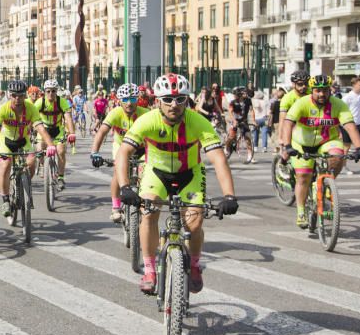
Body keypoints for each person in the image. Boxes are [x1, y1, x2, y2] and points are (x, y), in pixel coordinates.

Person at [116, 73, 239, 294]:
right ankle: (150, 270)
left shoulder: (198, 122)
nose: (174, 104)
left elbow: (218, 158)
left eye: (180, 99)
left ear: (187, 101)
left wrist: (229, 195)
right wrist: (125, 186)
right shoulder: (147, 121)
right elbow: (124, 152)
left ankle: (194, 265)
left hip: (189, 174)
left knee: (194, 222)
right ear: (157, 101)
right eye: (168, 99)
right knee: (148, 212)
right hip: (157, 173)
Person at [279, 75, 360, 229]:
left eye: (325, 90)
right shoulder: (302, 103)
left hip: (327, 141)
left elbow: (350, 125)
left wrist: (359, 148)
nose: (321, 94)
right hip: (301, 143)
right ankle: (301, 211)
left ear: (329, 90)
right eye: (318, 91)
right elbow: (288, 123)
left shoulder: (338, 104)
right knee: (303, 177)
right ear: (312, 90)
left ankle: (327, 182)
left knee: (338, 157)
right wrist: (287, 145)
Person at [0, 80, 57, 218]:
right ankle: (5, 200)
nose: (17, 99)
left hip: (23, 140)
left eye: (20, 95)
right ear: (9, 95)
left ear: (25, 95)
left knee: (32, 162)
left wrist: (50, 145)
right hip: (6, 141)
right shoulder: (3, 109)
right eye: (14, 95)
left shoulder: (31, 108)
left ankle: (24, 185)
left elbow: (40, 128)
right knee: (5, 164)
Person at [90, 83, 149, 223]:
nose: (129, 103)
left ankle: (144, 201)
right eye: (125, 100)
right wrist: (95, 152)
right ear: (119, 100)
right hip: (121, 146)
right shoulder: (115, 112)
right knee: (118, 170)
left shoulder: (145, 113)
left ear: (138, 99)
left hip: (141, 148)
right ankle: (115, 207)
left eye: (133, 99)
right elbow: (102, 132)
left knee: (146, 172)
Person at [34, 79, 75, 189]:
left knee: (61, 151)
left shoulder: (61, 102)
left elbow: (68, 118)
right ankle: (43, 166)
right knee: (39, 149)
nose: (51, 94)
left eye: (53, 91)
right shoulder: (40, 102)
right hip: (44, 129)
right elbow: (31, 118)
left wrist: (72, 133)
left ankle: (61, 177)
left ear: (56, 92)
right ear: (44, 92)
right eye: (48, 91)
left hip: (57, 130)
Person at [226, 86, 256, 164]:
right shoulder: (233, 102)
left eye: (235, 94)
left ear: (240, 94)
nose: (234, 96)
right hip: (235, 121)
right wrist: (234, 120)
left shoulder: (248, 101)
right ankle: (227, 149)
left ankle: (250, 156)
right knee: (231, 137)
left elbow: (252, 110)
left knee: (248, 138)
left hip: (244, 121)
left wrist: (254, 120)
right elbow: (230, 112)